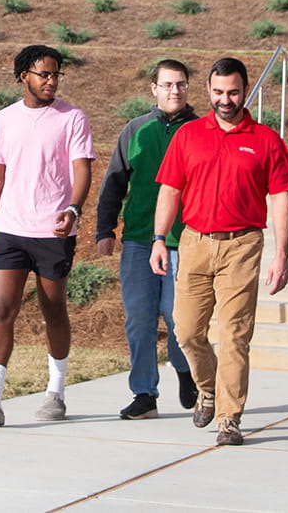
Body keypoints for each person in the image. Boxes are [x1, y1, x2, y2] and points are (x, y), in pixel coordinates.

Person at [151, 57, 288, 447]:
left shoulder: (266, 139)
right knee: (186, 332)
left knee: (234, 334)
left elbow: (281, 199)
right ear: (209, 91)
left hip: (243, 245)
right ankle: (208, 389)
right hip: (195, 242)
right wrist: (158, 238)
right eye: (218, 92)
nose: (225, 99)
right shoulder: (189, 135)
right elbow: (170, 189)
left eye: (233, 92)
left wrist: (280, 255)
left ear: (245, 89)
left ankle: (229, 419)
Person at [0, 45, 94, 427]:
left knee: (53, 310)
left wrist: (73, 208)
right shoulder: (3, 120)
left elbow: (82, 170)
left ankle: (56, 391)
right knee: (2, 308)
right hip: (10, 231)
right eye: (43, 75)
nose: (51, 81)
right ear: (23, 77)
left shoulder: (72, 118)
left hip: (53, 230)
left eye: (55, 75)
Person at [95, 59, 198, 421]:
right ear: (153, 88)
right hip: (139, 238)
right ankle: (144, 394)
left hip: (184, 240)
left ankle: (186, 371)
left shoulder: (201, 130)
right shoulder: (135, 130)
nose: (175, 91)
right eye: (168, 85)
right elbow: (114, 181)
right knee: (139, 319)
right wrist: (104, 229)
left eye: (181, 84)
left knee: (178, 318)